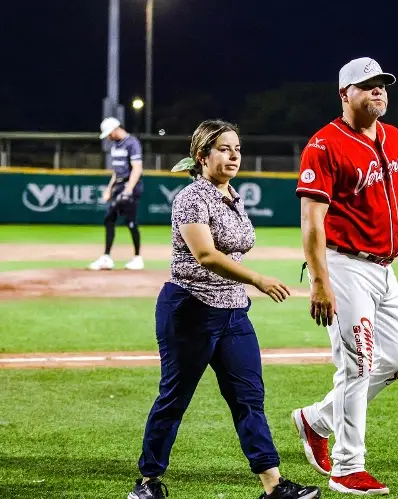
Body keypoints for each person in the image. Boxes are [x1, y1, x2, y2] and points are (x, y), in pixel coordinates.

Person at [127, 120, 320, 499]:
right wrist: (258, 279)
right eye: (224, 149)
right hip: (190, 309)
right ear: (202, 156)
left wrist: (245, 286)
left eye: (237, 149)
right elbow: (205, 255)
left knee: (249, 399)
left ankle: (273, 486)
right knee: (174, 398)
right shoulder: (192, 198)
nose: (233, 155)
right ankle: (147, 483)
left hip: (233, 312)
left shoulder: (233, 195)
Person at [291, 57, 398, 495]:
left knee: (396, 360)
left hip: (384, 266)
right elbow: (311, 221)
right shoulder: (323, 145)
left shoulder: (395, 138)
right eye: (367, 86)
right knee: (357, 363)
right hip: (342, 265)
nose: (378, 91)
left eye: (381, 85)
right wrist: (320, 281)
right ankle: (347, 466)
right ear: (345, 94)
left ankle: (316, 420)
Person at [89, 117, 145, 271]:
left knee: (130, 221)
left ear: (115, 130)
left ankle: (137, 258)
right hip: (120, 186)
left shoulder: (132, 143)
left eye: (109, 133)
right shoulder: (115, 146)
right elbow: (116, 172)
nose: (108, 137)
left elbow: (137, 168)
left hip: (130, 186)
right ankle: (107, 257)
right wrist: (109, 188)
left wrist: (128, 190)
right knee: (110, 218)